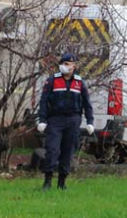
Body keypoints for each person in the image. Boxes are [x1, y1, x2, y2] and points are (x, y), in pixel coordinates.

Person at [36, 53, 93, 191]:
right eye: (63, 64)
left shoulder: (80, 83)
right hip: (55, 120)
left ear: (74, 66)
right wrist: (42, 120)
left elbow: (87, 104)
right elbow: (44, 101)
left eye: (67, 64)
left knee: (68, 152)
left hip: (73, 120)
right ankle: (47, 181)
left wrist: (90, 121)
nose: (64, 66)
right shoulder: (52, 80)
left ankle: (62, 182)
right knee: (52, 150)